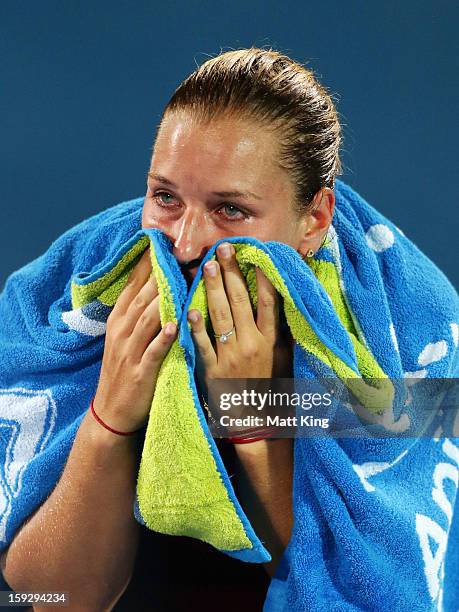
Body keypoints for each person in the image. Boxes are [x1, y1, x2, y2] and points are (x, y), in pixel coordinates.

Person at [0, 48, 457, 611]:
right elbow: (43, 598)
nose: (186, 245)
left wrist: (251, 415)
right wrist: (109, 419)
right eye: (165, 197)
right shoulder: (86, 302)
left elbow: (359, 589)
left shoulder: (398, 337)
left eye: (230, 211)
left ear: (314, 219)